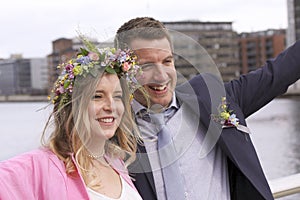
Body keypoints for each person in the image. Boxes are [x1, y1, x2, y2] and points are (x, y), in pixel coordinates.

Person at [114, 17, 300, 200]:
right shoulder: (114, 130)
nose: (161, 76)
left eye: (167, 61)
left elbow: (277, 74)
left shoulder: (211, 98)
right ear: (123, 70)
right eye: (146, 65)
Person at [0, 40, 143, 200]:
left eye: (117, 97)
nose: (111, 106)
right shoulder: (38, 166)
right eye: (97, 96)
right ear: (73, 106)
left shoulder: (117, 163)